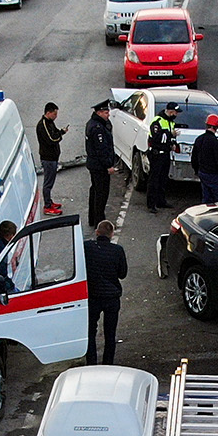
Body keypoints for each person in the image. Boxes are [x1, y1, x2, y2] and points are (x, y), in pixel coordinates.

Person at [83, 219, 127, 365]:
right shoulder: (117, 250)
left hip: (93, 296)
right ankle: (108, 363)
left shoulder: (87, 247)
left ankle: (91, 362)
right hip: (111, 297)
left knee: (90, 332)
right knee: (110, 334)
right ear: (111, 234)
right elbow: (122, 274)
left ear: (97, 233)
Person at [85, 99, 117, 226]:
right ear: (99, 113)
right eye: (105, 112)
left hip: (94, 164)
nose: (108, 114)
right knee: (101, 194)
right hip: (99, 166)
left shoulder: (95, 123)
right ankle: (99, 220)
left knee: (95, 191)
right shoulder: (97, 128)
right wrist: (108, 165)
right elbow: (101, 149)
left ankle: (93, 218)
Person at [145, 100, 179, 212]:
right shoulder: (157, 121)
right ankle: (151, 204)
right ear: (170, 111)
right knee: (154, 179)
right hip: (156, 154)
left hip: (165, 154)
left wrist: (173, 143)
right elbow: (157, 137)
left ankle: (161, 201)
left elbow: (170, 138)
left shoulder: (171, 122)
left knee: (163, 179)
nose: (176, 115)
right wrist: (170, 135)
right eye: (175, 112)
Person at [36, 102, 66, 215]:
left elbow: (55, 132)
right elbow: (52, 139)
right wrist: (60, 136)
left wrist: (61, 132)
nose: (56, 116)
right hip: (48, 158)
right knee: (48, 183)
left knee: (51, 180)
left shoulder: (50, 123)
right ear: (48, 113)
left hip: (53, 157)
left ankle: (49, 202)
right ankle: (47, 206)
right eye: (54, 114)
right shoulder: (43, 125)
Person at [192, 114, 218, 205]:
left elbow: (194, 158)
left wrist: (197, 170)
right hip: (213, 174)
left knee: (206, 197)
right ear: (216, 127)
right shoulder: (216, 143)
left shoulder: (199, 139)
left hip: (202, 172)